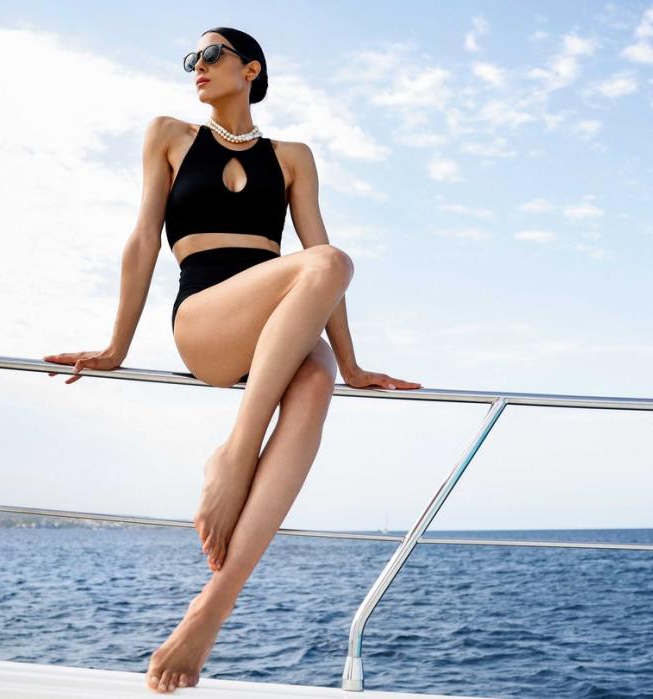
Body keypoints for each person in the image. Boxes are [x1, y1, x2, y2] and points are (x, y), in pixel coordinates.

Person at [43, 26, 420, 694]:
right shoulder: (169, 135)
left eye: (210, 54)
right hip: (206, 321)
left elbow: (318, 262)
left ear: (251, 69)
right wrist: (117, 345)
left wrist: (356, 364)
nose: (196, 66)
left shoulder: (294, 156)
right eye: (191, 59)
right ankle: (236, 452)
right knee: (330, 266)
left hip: (278, 331)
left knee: (319, 371)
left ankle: (214, 602)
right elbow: (141, 242)